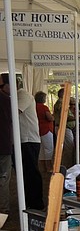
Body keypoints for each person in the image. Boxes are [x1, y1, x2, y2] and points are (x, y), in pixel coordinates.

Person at [15, 79, 43, 210]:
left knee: (31, 172)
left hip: (28, 140)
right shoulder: (16, 96)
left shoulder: (23, 95)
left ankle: (37, 203)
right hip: (21, 140)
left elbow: (15, 112)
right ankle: (28, 200)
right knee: (24, 173)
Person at [35, 92, 55, 207]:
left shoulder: (34, 106)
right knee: (48, 149)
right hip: (46, 130)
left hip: (38, 130)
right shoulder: (43, 107)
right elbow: (49, 117)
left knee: (41, 150)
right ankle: (48, 167)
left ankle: (42, 167)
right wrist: (52, 117)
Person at [0, 76, 13, 214]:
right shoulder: (6, 100)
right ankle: (3, 209)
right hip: (4, 143)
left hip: (4, 142)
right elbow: (12, 118)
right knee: (4, 176)